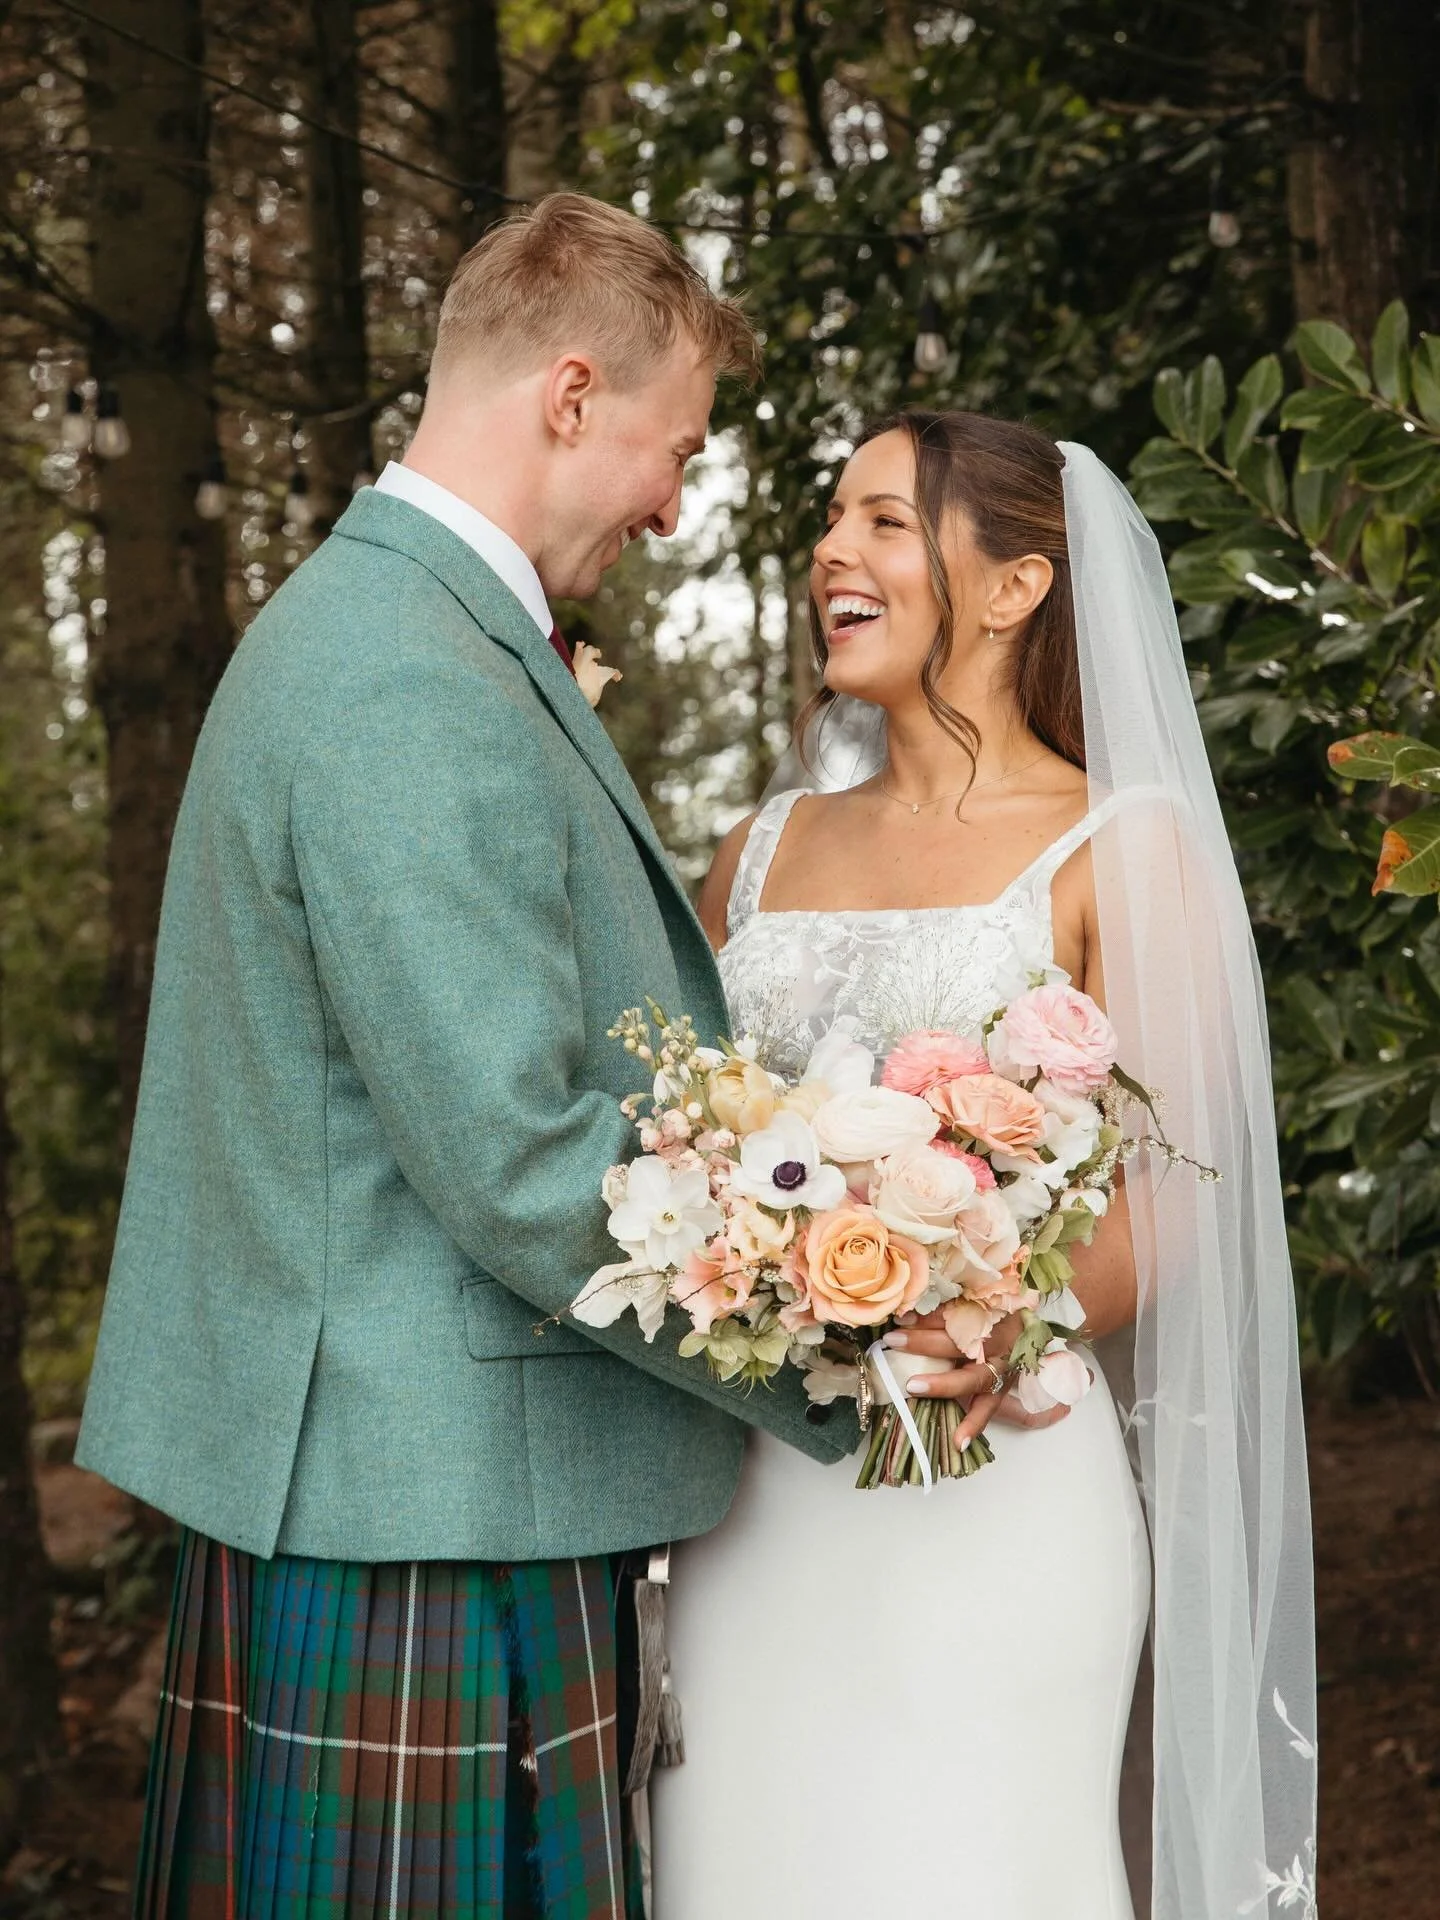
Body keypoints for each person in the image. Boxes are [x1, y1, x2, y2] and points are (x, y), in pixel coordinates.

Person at [75, 193, 858, 1919]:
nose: (675, 501)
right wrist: (852, 1329)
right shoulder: (402, 678)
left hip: (409, 1489)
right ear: (572, 395)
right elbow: (514, 1153)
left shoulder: (403, 633)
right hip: (423, 1514)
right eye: (679, 448)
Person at [652, 411, 1318, 1919]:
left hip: (997, 1485)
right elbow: (682, 1131)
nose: (834, 549)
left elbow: (1185, 1194)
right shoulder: (755, 850)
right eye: (830, 517)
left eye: (884, 520)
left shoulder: (1122, 842)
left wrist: (991, 1309)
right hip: (753, 1500)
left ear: (1014, 588)